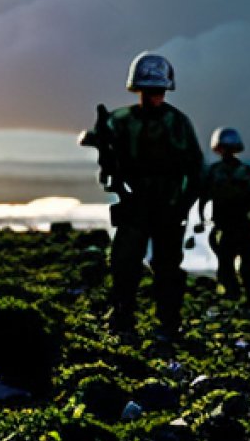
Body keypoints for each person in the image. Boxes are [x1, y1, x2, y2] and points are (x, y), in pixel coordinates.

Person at [87, 52, 204, 338]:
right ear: (138, 89)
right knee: (124, 263)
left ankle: (169, 323)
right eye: (150, 91)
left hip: (168, 205)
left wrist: (183, 206)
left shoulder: (178, 123)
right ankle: (122, 318)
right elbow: (104, 152)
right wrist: (103, 144)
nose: (155, 96)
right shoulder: (121, 121)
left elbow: (195, 169)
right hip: (134, 203)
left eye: (159, 91)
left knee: (167, 268)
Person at [197, 127, 250, 304]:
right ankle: (240, 294)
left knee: (237, 262)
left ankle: (241, 294)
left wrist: (202, 218)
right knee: (232, 262)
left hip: (236, 225)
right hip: (230, 225)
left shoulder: (226, 171)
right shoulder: (236, 171)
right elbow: (203, 197)